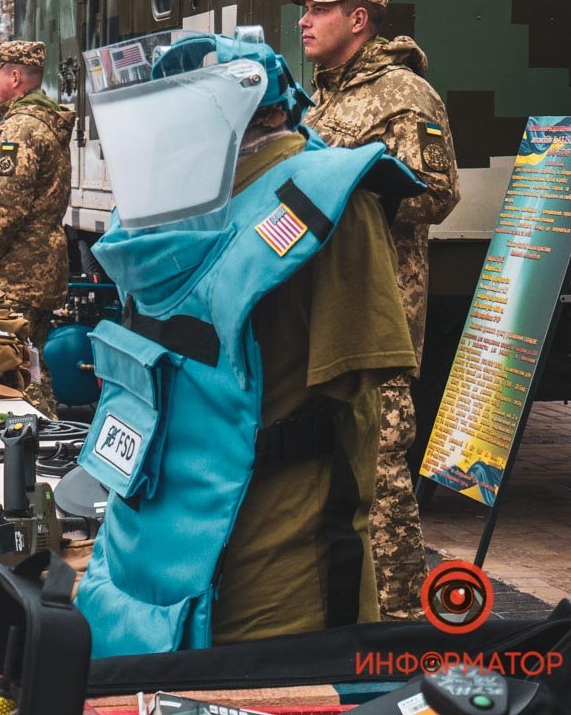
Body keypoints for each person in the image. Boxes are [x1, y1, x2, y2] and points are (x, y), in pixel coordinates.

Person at [74, 33, 421, 656]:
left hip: (160, 558)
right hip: (271, 587)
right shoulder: (318, 202)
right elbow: (369, 413)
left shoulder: (159, 212)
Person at [291, 0, 461, 620]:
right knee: (331, 463)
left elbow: (440, 193)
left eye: (320, 9)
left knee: (383, 470)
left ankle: (398, 622)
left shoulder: (404, 94)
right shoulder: (323, 95)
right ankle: (340, 610)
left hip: (380, 309)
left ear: (358, 19)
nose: (305, 20)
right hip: (325, 308)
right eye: (304, 8)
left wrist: (353, 191)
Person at [0, 41, 74, 416]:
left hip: (15, 275)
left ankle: (35, 443)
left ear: (15, 77)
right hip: (38, 268)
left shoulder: (20, 130)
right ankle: (47, 436)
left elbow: (4, 209)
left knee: (15, 369)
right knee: (32, 364)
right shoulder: (42, 122)